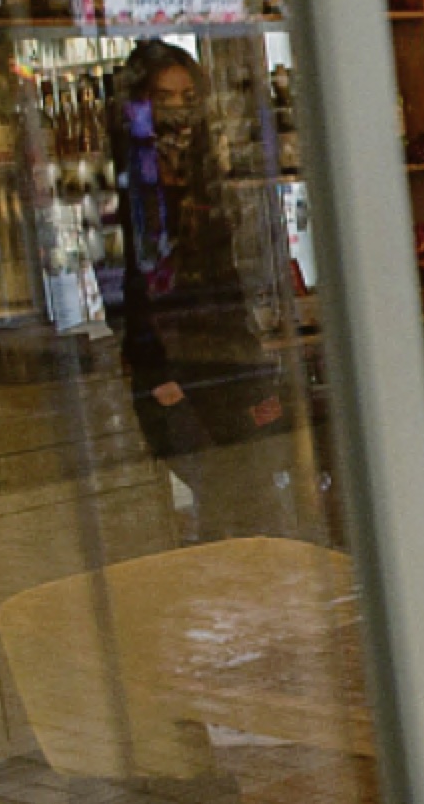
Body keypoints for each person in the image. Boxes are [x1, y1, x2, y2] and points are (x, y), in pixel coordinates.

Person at [112, 41, 299, 542]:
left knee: (256, 495)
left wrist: (254, 358)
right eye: (164, 96)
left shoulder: (200, 174)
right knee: (222, 494)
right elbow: (126, 284)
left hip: (229, 363)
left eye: (186, 95)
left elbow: (225, 276)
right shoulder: (129, 181)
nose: (177, 108)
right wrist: (158, 374)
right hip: (175, 372)